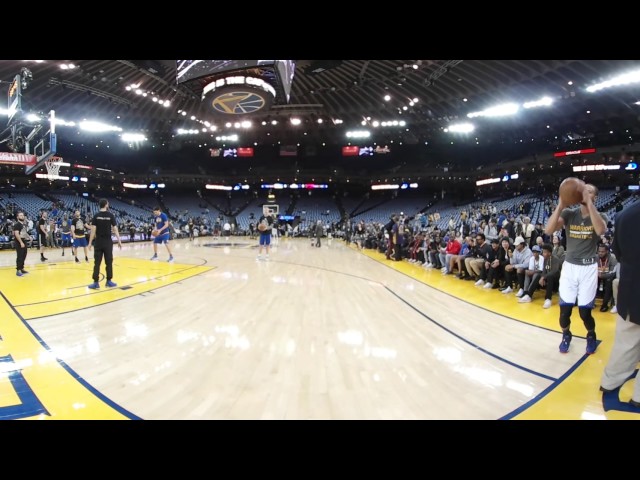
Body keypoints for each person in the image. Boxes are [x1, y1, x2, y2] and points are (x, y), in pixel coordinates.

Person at [544, 183, 607, 354]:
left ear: (595, 197)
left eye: (590, 191)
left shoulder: (601, 216)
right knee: (564, 312)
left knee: (584, 313)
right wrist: (560, 205)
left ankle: (591, 335)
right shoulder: (569, 214)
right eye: (583, 190)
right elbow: (548, 230)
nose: (585, 192)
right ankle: (566, 334)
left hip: (588, 268)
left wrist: (589, 203)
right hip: (570, 267)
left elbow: (601, 230)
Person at [600, 199, 640, 407]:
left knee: (626, 342)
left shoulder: (625, 215)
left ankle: (610, 380)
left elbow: (618, 252)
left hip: (630, 287)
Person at [88, 198, 122, 289]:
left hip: (98, 242)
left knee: (97, 263)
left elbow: (93, 230)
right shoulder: (111, 215)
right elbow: (115, 229)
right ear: (106, 204)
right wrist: (119, 240)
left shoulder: (96, 216)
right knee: (109, 262)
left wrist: (90, 243)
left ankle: (95, 282)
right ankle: (109, 281)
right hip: (108, 242)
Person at [13, 211, 30, 277]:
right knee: (20, 256)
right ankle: (18, 270)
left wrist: (29, 237)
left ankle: (22, 268)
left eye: (22, 215)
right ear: (17, 217)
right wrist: (21, 242)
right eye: (20, 215)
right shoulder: (17, 224)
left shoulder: (23, 224)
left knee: (24, 255)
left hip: (24, 240)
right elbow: (16, 234)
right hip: (19, 241)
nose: (22, 216)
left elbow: (25, 232)